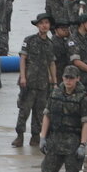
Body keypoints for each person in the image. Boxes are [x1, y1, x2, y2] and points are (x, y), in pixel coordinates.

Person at [38, 66, 87, 172]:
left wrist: (83, 144)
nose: (68, 81)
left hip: (73, 142)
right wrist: (42, 137)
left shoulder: (83, 98)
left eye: (71, 78)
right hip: (54, 140)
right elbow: (47, 115)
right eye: (66, 77)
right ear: (62, 78)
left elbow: (86, 123)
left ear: (77, 79)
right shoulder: (55, 93)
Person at [13, 14, 57, 147]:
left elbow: (52, 63)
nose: (44, 25)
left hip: (43, 84)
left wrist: (54, 82)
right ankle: (19, 136)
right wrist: (23, 76)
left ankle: (35, 137)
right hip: (28, 82)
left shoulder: (50, 44)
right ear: (37, 25)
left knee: (40, 112)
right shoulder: (29, 40)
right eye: (42, 23)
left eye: (47, 23)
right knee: (24, 110)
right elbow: (23, 59)